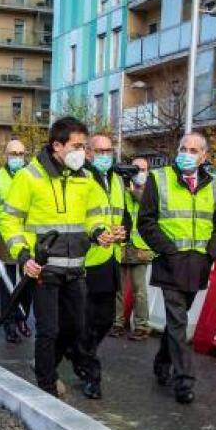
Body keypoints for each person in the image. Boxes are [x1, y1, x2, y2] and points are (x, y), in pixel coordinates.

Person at [1, 116, 105, 398]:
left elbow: (93, 215)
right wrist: (24, 256)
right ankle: (47, 387)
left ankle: (45, 365)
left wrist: (99, 233)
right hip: (43, 269)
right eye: (77, 146)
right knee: (48, 329)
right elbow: (9, 220)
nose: (82, 152)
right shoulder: (29, 177)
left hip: (76, 268)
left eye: (84, 146)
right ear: (57, 145)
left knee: (75, 327)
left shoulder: (85, 177)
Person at [138, 133, 216, 405]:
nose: (186, 153)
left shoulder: (215, 183)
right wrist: (168, 249)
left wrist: (210, 254)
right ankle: (184, 381)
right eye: (183, 148)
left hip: (198, 264)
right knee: (179, 321)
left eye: (193, 150)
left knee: (176, 321)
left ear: (204, 156)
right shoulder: (159, 178)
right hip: (170, 262)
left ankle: (162, 361)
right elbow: (146, 222)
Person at [72, 132, 133, 399]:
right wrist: (95, 233)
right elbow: (75, 217)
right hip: (85, 260)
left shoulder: (118, 180)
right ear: (87, 152)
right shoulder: (78, 178)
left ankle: (79, 352)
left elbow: (125, 215)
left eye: (109, 151)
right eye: (100, 151)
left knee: (106, 320)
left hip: (110, 260)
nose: (105, 156)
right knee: (85, 321)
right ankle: (91, 374)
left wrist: (124, 232)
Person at [0, 139, 32, 344]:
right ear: (6, 155)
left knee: (27, 282)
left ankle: (22, 317)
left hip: (27, 237)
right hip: (3, 236)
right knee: (7, 283)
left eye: (21, 154)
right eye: (13, 154)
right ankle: (9, 324)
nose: (17, 158)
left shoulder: (31, 177)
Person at [112, 157, 155, 340]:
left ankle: (142, 326)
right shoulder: (121, 186)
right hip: (121, 243)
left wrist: (132, 188)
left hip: (141, 246)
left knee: (139, 289)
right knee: (118, 288)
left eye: (142, 169)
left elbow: (146, 203)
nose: (138, 172)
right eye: (135, 169)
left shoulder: (151, 189)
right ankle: (117, 323)